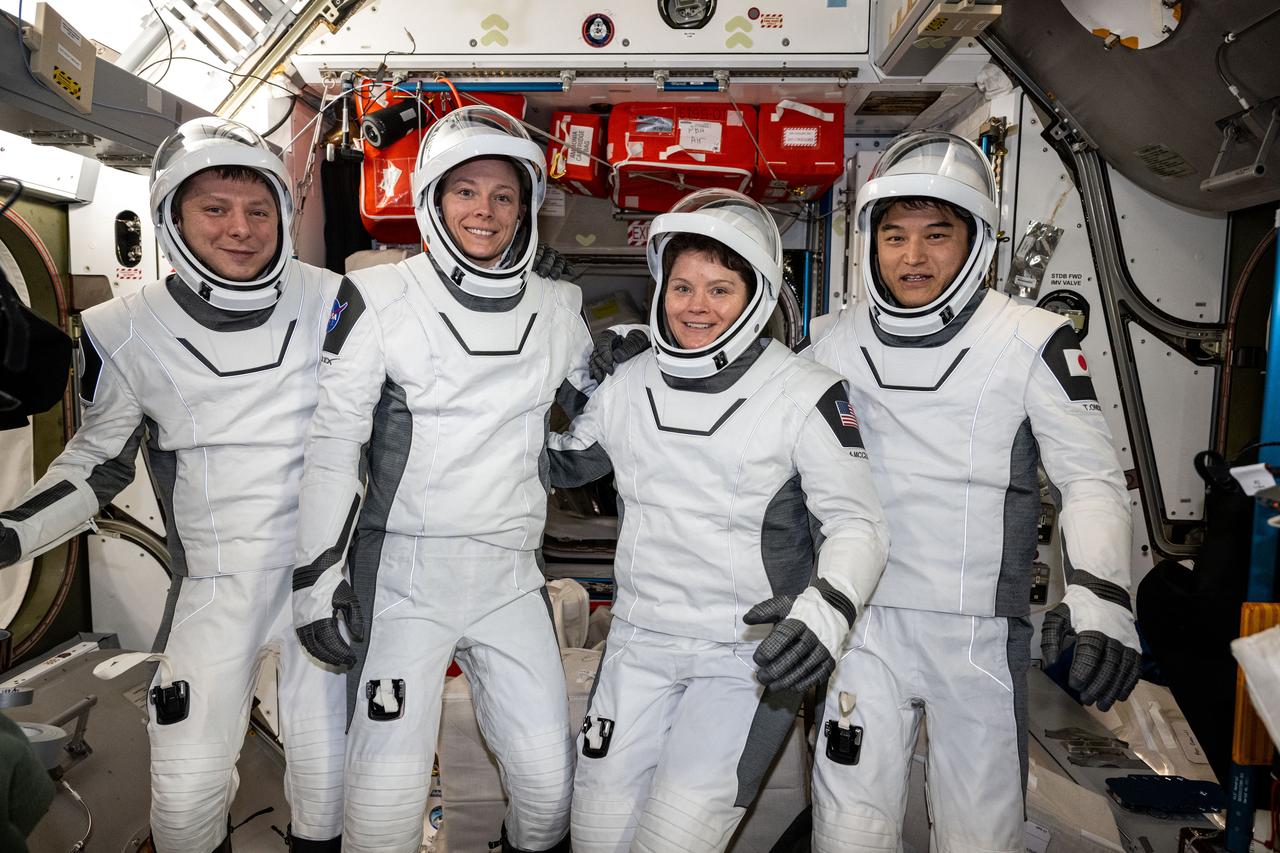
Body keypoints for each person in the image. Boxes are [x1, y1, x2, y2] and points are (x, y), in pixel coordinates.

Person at [0, 118, 347, 853]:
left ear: (283, 216)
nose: (240, 229)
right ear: (171, 217)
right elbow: (97, 464)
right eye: (215, 208)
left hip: (324, 584)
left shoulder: (338, 302)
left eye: (259, 210)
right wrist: (12, 534)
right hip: (215, 590)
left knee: (329, 793)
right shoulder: (123, 328)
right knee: (186, 802)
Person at [800, 130, 1141, 852]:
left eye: (936, 235)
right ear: (871, 242)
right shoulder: (828, 341)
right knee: (847, 834)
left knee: (980, 839)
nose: (913, 257)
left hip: (978, 634)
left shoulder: (1033, 339)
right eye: (894, 236)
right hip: (861, 625)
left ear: (977, 241)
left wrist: (1103, 596)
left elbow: (1090, 477)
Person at [290, 104, 596, 853]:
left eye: (503, 195)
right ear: (431, 197)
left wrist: (621, 371)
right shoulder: (378, 297)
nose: (484, 211)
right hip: (404, 577)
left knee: (547, 787)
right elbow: (334, 447)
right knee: (384, 805)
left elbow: (597, 421)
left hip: (510, 576)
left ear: (526, 207)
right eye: (466, 191)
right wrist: (316, 582)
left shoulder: (559, 307)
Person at [546, 188, 889, 853]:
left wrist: (824, 612)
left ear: (757, 296)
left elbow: (858, 524)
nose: (695, 306)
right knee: (595, 838)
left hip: (744, 659)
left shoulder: (806, 391)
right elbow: (558, 464)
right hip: (637, 645)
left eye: (720, 289)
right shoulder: (629, 381)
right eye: (682, 287)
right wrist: (575, 364)